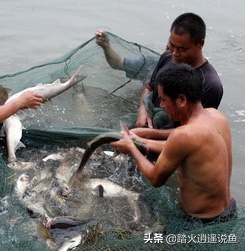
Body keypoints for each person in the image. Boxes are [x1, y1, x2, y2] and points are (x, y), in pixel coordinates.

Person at [111, 64, 236, 228]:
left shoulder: (183, 136)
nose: (161, 105)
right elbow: (190, 143)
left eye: (163, 99)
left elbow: (155, 179)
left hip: (200, 223)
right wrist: (145, 136)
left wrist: (131, 147)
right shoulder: (217, 116)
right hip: (228, 212)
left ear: (182, 100)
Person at [96, 13, 223, 152]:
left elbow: (196, 133)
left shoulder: (211, 85)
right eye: (172, 45)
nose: (174, 53)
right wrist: (142, 110)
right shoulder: (167, 57)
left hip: (171, 146)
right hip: (144, 127)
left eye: (182, 49)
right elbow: (149, 87)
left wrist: (148, 135)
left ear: (200, 44)